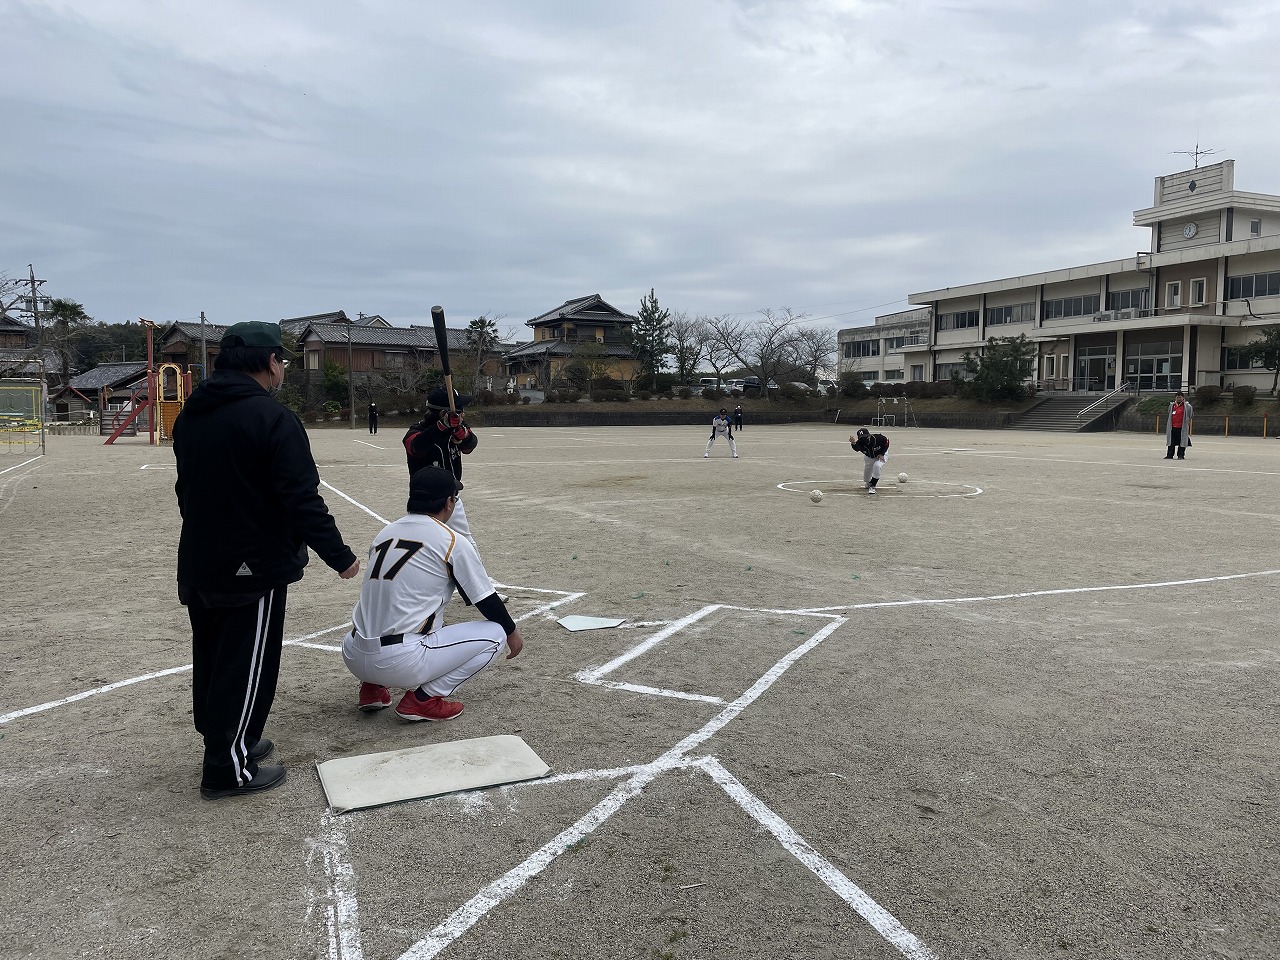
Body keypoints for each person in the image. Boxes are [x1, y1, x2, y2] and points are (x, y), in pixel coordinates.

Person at [173, 321, 361, 800]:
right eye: (281, 360)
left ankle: (234, 740)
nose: (283, 369)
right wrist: (339, 556)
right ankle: (226, 769)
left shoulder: (192, 413)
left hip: (202, 555)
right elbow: (301, 498)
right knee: (245, 662)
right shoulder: (272, 419)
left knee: (214, 657)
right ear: (267, 362)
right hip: (252, 564)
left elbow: (185, 489)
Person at [342, 467, 523, 720]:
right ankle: (423, 700)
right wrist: (512, 632)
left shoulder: (386, 532)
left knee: (391, 606)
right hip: (400, 661)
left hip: (353, 653)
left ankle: (371, 688)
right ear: (449, 502)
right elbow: (485, 598)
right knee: (496, 634)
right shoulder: (451, 540)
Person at [403, 387, 480, 545]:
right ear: (444, 414)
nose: (463, 414)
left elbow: (470, 446)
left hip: (450, 496)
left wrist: (465, 436)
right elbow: (415, 446)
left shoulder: (457, 428)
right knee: (426, 543)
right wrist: (441, 427)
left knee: (463, 541)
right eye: (459, 411)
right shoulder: (418, 431)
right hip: (425, 500)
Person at [850, 426, 890, 495]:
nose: (864, 439)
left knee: (877, 466)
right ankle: (869, 483)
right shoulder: (860, 443)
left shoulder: (878, 438)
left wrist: (882, 453)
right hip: (869, 457)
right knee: (866, 479)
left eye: (865, 436)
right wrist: (853, 443)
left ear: (869, 435)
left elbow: (887, 442)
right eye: (861, 438)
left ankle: (873, 486)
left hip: (881, 455)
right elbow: (856, 448)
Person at [1165, 391, 1193, 459]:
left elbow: (1191, 415)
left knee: (1182, 442)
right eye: (1177, 397)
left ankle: (1181, 455)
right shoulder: (1172, 405)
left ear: (1183, 398)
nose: (1178, 398)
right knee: (1171, 442)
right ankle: (1170, 455)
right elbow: (1169, 413)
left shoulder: (1187, 406)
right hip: (1172, 427)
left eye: (1180, 397)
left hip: (1182, 427)